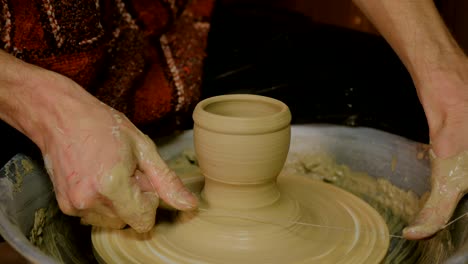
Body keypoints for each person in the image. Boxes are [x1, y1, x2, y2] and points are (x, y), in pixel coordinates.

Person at [0, 0, 466, 240]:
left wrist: (443, 71)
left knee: (394, 93)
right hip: (16, 79)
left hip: (153, 27)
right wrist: (45, 107)